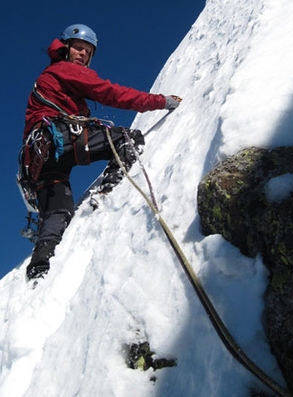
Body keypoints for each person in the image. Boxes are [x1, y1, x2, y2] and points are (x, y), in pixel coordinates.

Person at [20, 23, 181, 281]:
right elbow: (112, 94)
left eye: (88, 51)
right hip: (60, 139)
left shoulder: (48, 78)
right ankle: (109, 189)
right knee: (127, 140)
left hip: (40, 157)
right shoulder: (65, 70)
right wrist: (161, 101)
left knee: (58, 212)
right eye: (79, 49)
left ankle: (39, 267)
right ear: (65, 49)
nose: (83, 55)